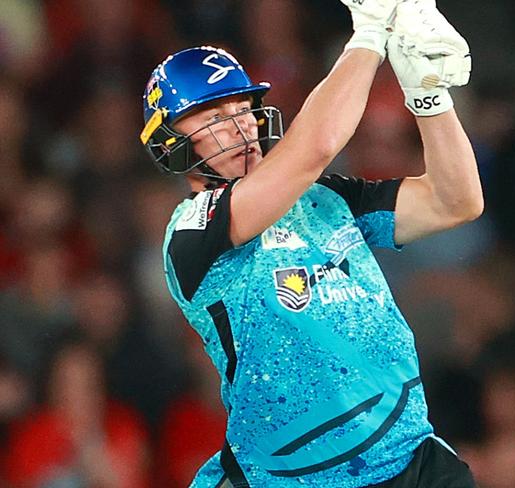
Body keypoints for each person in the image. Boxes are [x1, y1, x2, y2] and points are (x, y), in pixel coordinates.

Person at [139, 0, 482, 486]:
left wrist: (427, 92)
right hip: (290, 476)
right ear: (172, 143)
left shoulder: (327, 197)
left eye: (244, 109)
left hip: (410, 460)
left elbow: (457, 200)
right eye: (214, 117)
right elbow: (314, 147)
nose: (241, 126)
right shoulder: (192, 231)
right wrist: (368, 34)